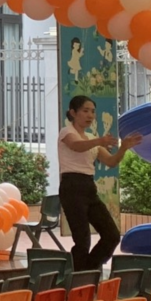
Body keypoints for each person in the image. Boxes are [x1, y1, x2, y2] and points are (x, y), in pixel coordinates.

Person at [57, 95, 138, 271]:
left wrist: (123, 148)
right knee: (82, 240)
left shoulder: (91, 137)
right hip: (72, 187)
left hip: (88, 187)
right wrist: (99, 141)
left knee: (112, 235)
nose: (90, 115)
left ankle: (88, 271)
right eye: (85, 111)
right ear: (73, 113)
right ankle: (80, 277)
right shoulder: (66, 132)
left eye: (93, 111)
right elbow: (76, 146)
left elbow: (111, 161)